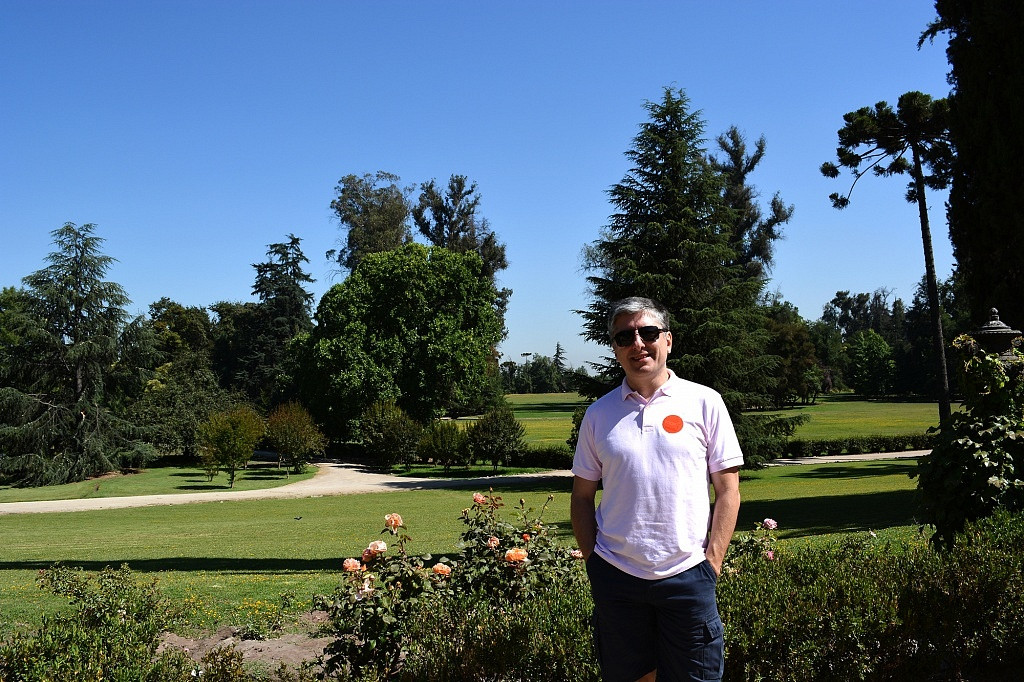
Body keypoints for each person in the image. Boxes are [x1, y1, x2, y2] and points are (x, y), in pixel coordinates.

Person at [571, 296, 742, 682]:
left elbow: (728, 491)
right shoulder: (598, 414)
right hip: (617, 577)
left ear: (668, 341)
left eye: (647, 332)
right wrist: (594, 563)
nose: (637, 344)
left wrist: (711, 563)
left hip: (688, 574)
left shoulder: (705, 402)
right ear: (615, 349)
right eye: (624, 337)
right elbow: (582, 497)